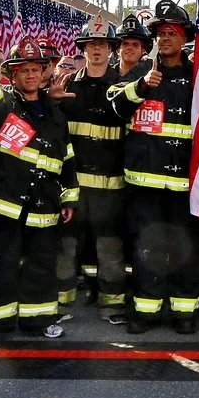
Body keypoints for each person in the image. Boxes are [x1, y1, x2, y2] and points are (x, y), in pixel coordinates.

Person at [0, 8, 78, 343]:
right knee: (1, 263)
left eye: (35, 68)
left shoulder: (56, 114)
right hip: (6, 205)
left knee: (41, 266)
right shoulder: (3, 108)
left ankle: (39, 321)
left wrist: (68, 197)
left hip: (44, 205)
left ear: (43, 72)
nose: (30, 74)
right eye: (23, 70)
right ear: (12, 76)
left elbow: (66, 159)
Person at [107, 0, 199, 334]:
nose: (165, 38)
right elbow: (116, 107)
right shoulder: (138, 73)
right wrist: (142, 86)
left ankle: (184, 311)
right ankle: (145, 311)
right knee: (146, 248)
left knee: (185, 248)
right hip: (144, 183)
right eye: (161, 33)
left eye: (172, 32)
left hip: (184, 184)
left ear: (184, 38)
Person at [50, 18, 131, 325]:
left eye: (102, 45)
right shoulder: (67, 85)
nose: (96, 50)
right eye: (91, 45)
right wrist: (50, 101)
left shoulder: (123, 89)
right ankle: (61, 304)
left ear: (111, 50)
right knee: (66, 247)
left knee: (110, 248)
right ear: (83, 49)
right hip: (72, 187)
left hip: (111, 187)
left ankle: (112, 306)